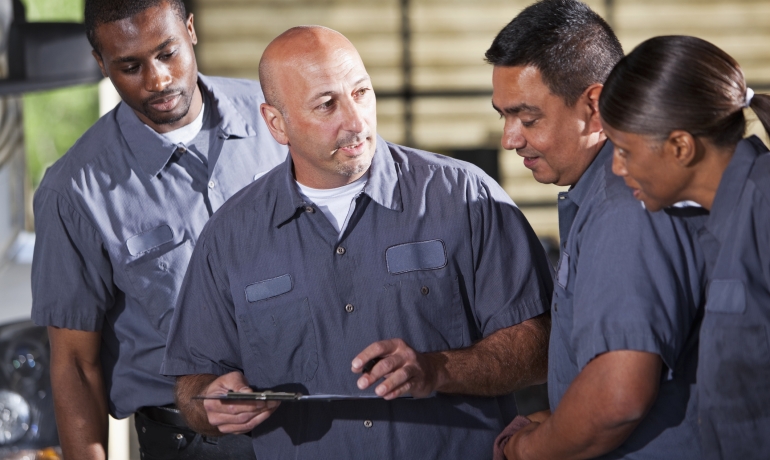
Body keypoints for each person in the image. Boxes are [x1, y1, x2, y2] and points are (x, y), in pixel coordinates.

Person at [160, 25, 555, 459]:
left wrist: (438, 369)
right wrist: (213, 403)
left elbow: (539, 350)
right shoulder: (230, 236)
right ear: (277, 123)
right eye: (326, 105)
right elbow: (193, 388)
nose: (355, 121)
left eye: (361, 92)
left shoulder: (465, 197)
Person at [30, 0, 287, 458]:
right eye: (130, 66)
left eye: (167, 53)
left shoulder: (277, 116)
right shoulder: (74, 192)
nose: (158, 79)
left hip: (322, 428)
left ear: (190, 30)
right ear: (101, 63)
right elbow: (74, 365)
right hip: (191, 446)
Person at [486, 1, 708, 458]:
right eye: (503, 117)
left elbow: (617, 398)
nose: (510, 138)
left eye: (528, 119)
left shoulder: (623, 205)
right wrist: (561, 419)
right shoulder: (600, 196)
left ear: (593, 105)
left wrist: (528, 451)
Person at [600, 35, 770, 460]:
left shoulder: (764, 207)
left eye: (624, 150)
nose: (617, 168)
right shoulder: (714, 223)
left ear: (680, 147)